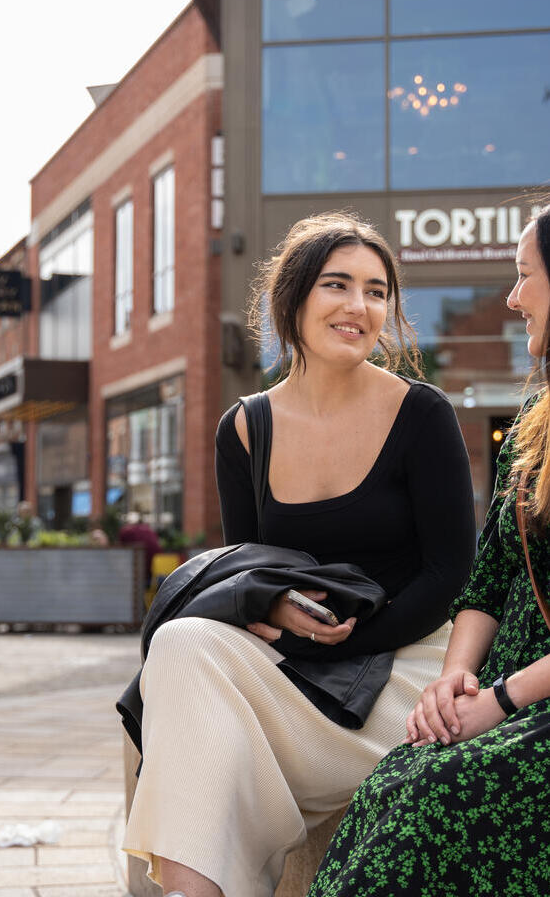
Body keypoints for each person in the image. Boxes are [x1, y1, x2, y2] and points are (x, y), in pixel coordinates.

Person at [121, 212, 477, 897]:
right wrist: (276, 606)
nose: (359, 307)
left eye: (377, 291)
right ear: (293, 300)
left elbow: (447, 574)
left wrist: (342, 642)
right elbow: (250, 569)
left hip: (404, 672)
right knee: (182, 642)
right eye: (337, 285)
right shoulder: (246, 429)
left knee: (202, 709)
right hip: (297, 666)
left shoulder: (421, 413)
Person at [306, 204, 550, 897]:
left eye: (526, 276)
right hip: (509, 692)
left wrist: (500, 698)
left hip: (530, 699)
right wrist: (454, 679)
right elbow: (489, 579)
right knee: (396, 780)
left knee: (434, 797)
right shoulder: (535, 428)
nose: (512, 298)